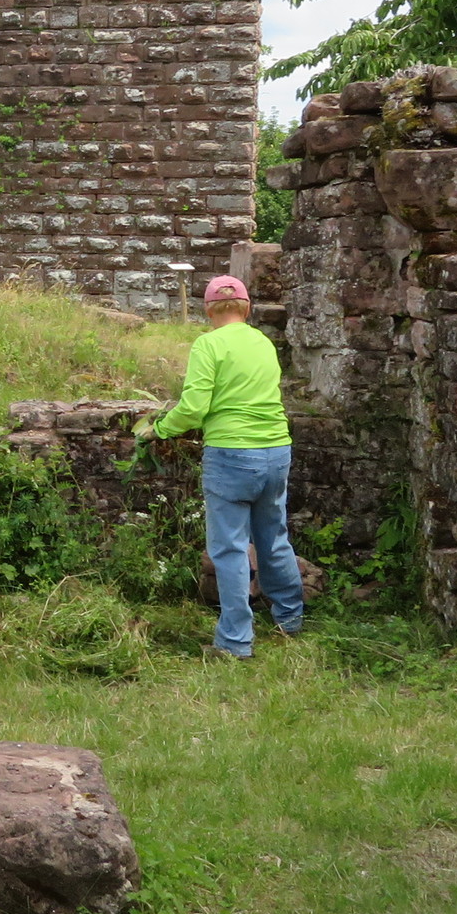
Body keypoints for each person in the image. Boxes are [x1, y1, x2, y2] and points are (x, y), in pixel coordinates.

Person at [140, 273, 304, 659]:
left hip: (232, 453)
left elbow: (194, 408)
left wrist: (160, 429)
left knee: (229, 548)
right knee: (274, 537)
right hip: (276, 449)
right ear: (246, 308)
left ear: (208, 310)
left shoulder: (208, 344)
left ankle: (235, 640)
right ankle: (290, 617)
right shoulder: (263, 342)